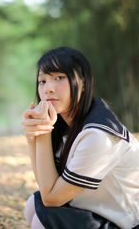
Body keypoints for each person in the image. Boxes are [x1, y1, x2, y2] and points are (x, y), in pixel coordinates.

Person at [21, 47, 139, 229]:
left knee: (44, 218)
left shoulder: (99, 136)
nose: (48, 89)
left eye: (59, 78)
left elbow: (52, 198)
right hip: (98, 212)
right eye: (42, 81)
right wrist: (33, 137)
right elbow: (46, 185)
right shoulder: (67, 125)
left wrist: (42, 132)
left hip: (128, 224)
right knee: (33, 205)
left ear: (83, 83)